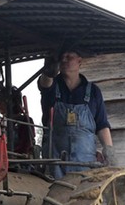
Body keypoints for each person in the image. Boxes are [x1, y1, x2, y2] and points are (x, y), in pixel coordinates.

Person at [38, 49, 115, 178]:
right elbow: (44, 84)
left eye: (69, 56)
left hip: (85, 163)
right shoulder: (52, 85)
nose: (64, 59)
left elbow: (102, 125)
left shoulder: (93, 92)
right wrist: (48, 72)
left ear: (80, 61)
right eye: (62, 56)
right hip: (55, 162)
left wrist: (109, 150)